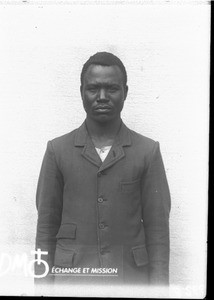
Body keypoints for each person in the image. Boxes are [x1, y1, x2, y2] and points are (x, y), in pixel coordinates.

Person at [35, 52, 171, 287]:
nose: (102, 97)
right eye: (93, 88)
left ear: (125, 92)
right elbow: (45, 230)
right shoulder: (58, 150)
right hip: (72, 281)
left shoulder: (147, 151)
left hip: (130, 281)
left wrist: (159, 292)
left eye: (112, 88)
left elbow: (158, 233)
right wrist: (41, 288)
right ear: (81, 92)